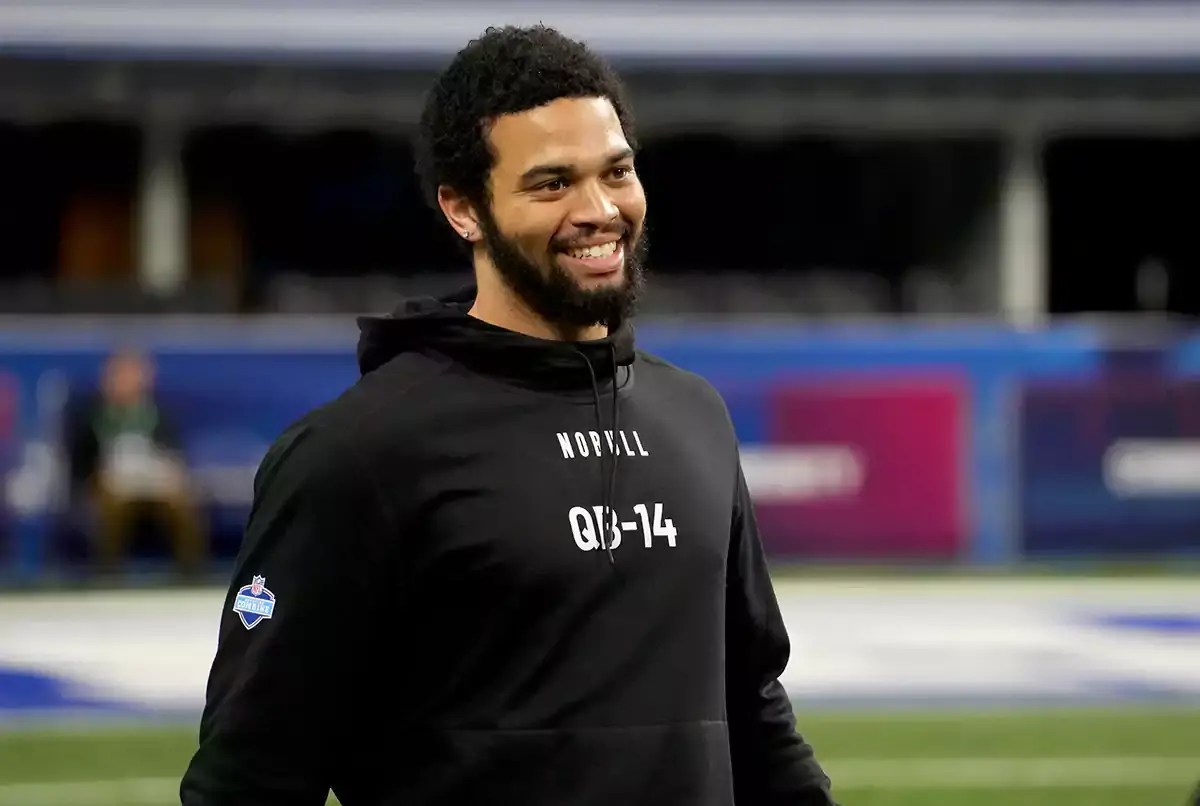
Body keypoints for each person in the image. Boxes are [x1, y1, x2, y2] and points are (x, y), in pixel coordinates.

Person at [180, 25, 837, 806]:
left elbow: (753, 708)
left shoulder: (694, 416)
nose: (600, 210)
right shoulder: (359, 453)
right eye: (552, 184)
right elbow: (249, 777)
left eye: (617, 172)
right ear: (463, 209)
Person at [65, 348, 205, 577]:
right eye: (120, 375)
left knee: (182, 504)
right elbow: (79, 461)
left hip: (153, 483)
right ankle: (108, 574)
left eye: (133, 375)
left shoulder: (158, 414)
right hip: (109, 483)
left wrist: (168, 473)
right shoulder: (90, 414)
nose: (126, 382)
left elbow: (174, 453)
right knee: (113, 508)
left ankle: (190, 573)